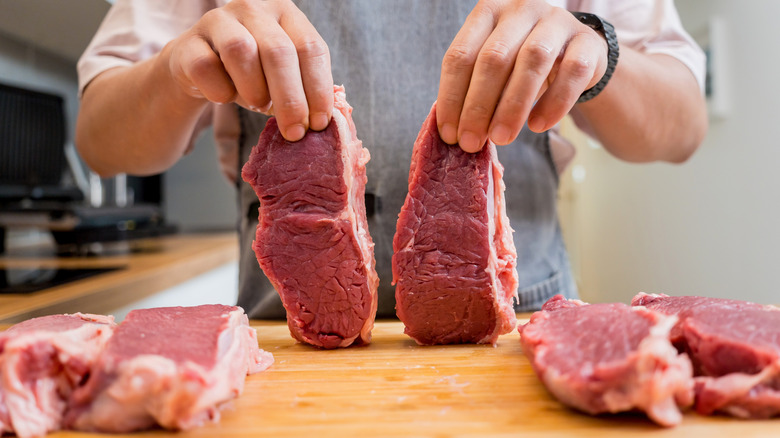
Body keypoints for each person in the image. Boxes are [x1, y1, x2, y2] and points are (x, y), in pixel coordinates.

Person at [76, 0, 707, 319]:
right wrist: (174, 70)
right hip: (289, 333)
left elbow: (681, 126)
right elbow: (101, 141)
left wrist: (596, 55)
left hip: (517, 329)